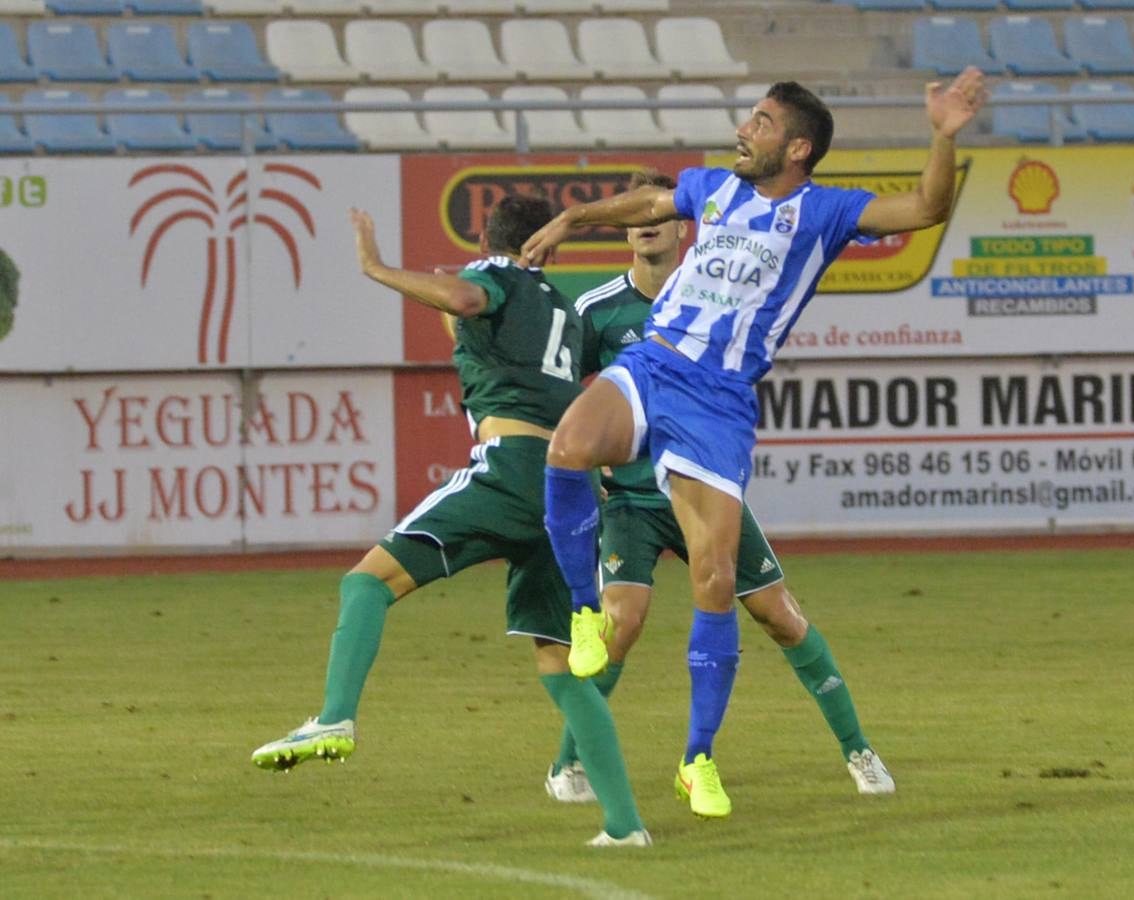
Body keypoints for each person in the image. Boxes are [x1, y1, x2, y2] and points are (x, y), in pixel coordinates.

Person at [524, 72, 986, 818]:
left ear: (797, 147)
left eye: (762, 122)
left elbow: (927, 207)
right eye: (750, 117)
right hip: (656, 361)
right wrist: (577, 216)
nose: (745, 128)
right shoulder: (713, 187)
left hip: (718, 400)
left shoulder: (825, 211)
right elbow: (647, 202)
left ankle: (697, 758)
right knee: (569, 448)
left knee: (715, 584)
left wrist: (942, 133)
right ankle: (582, 611)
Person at [250, 196, 651, 849]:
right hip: (569, 490)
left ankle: (333, 718)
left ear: (489, 241)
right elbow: (500, 341)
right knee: (560, 663)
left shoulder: (494, 279)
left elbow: (466, 299)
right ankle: (624, 825)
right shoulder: (561, 310)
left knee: (365, 583)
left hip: (513, 468)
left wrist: (376, 266)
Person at [542, 171, 895, 811]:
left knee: (780, 616)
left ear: (686, 228)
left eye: (658, 217)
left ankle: (857, 749)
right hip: (633, 502)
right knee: (618, 627)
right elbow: (571, 397)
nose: (645, 226)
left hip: (699, 477)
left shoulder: (723, 293)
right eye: (635, 220)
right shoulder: (598, 310)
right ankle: (569, 762)